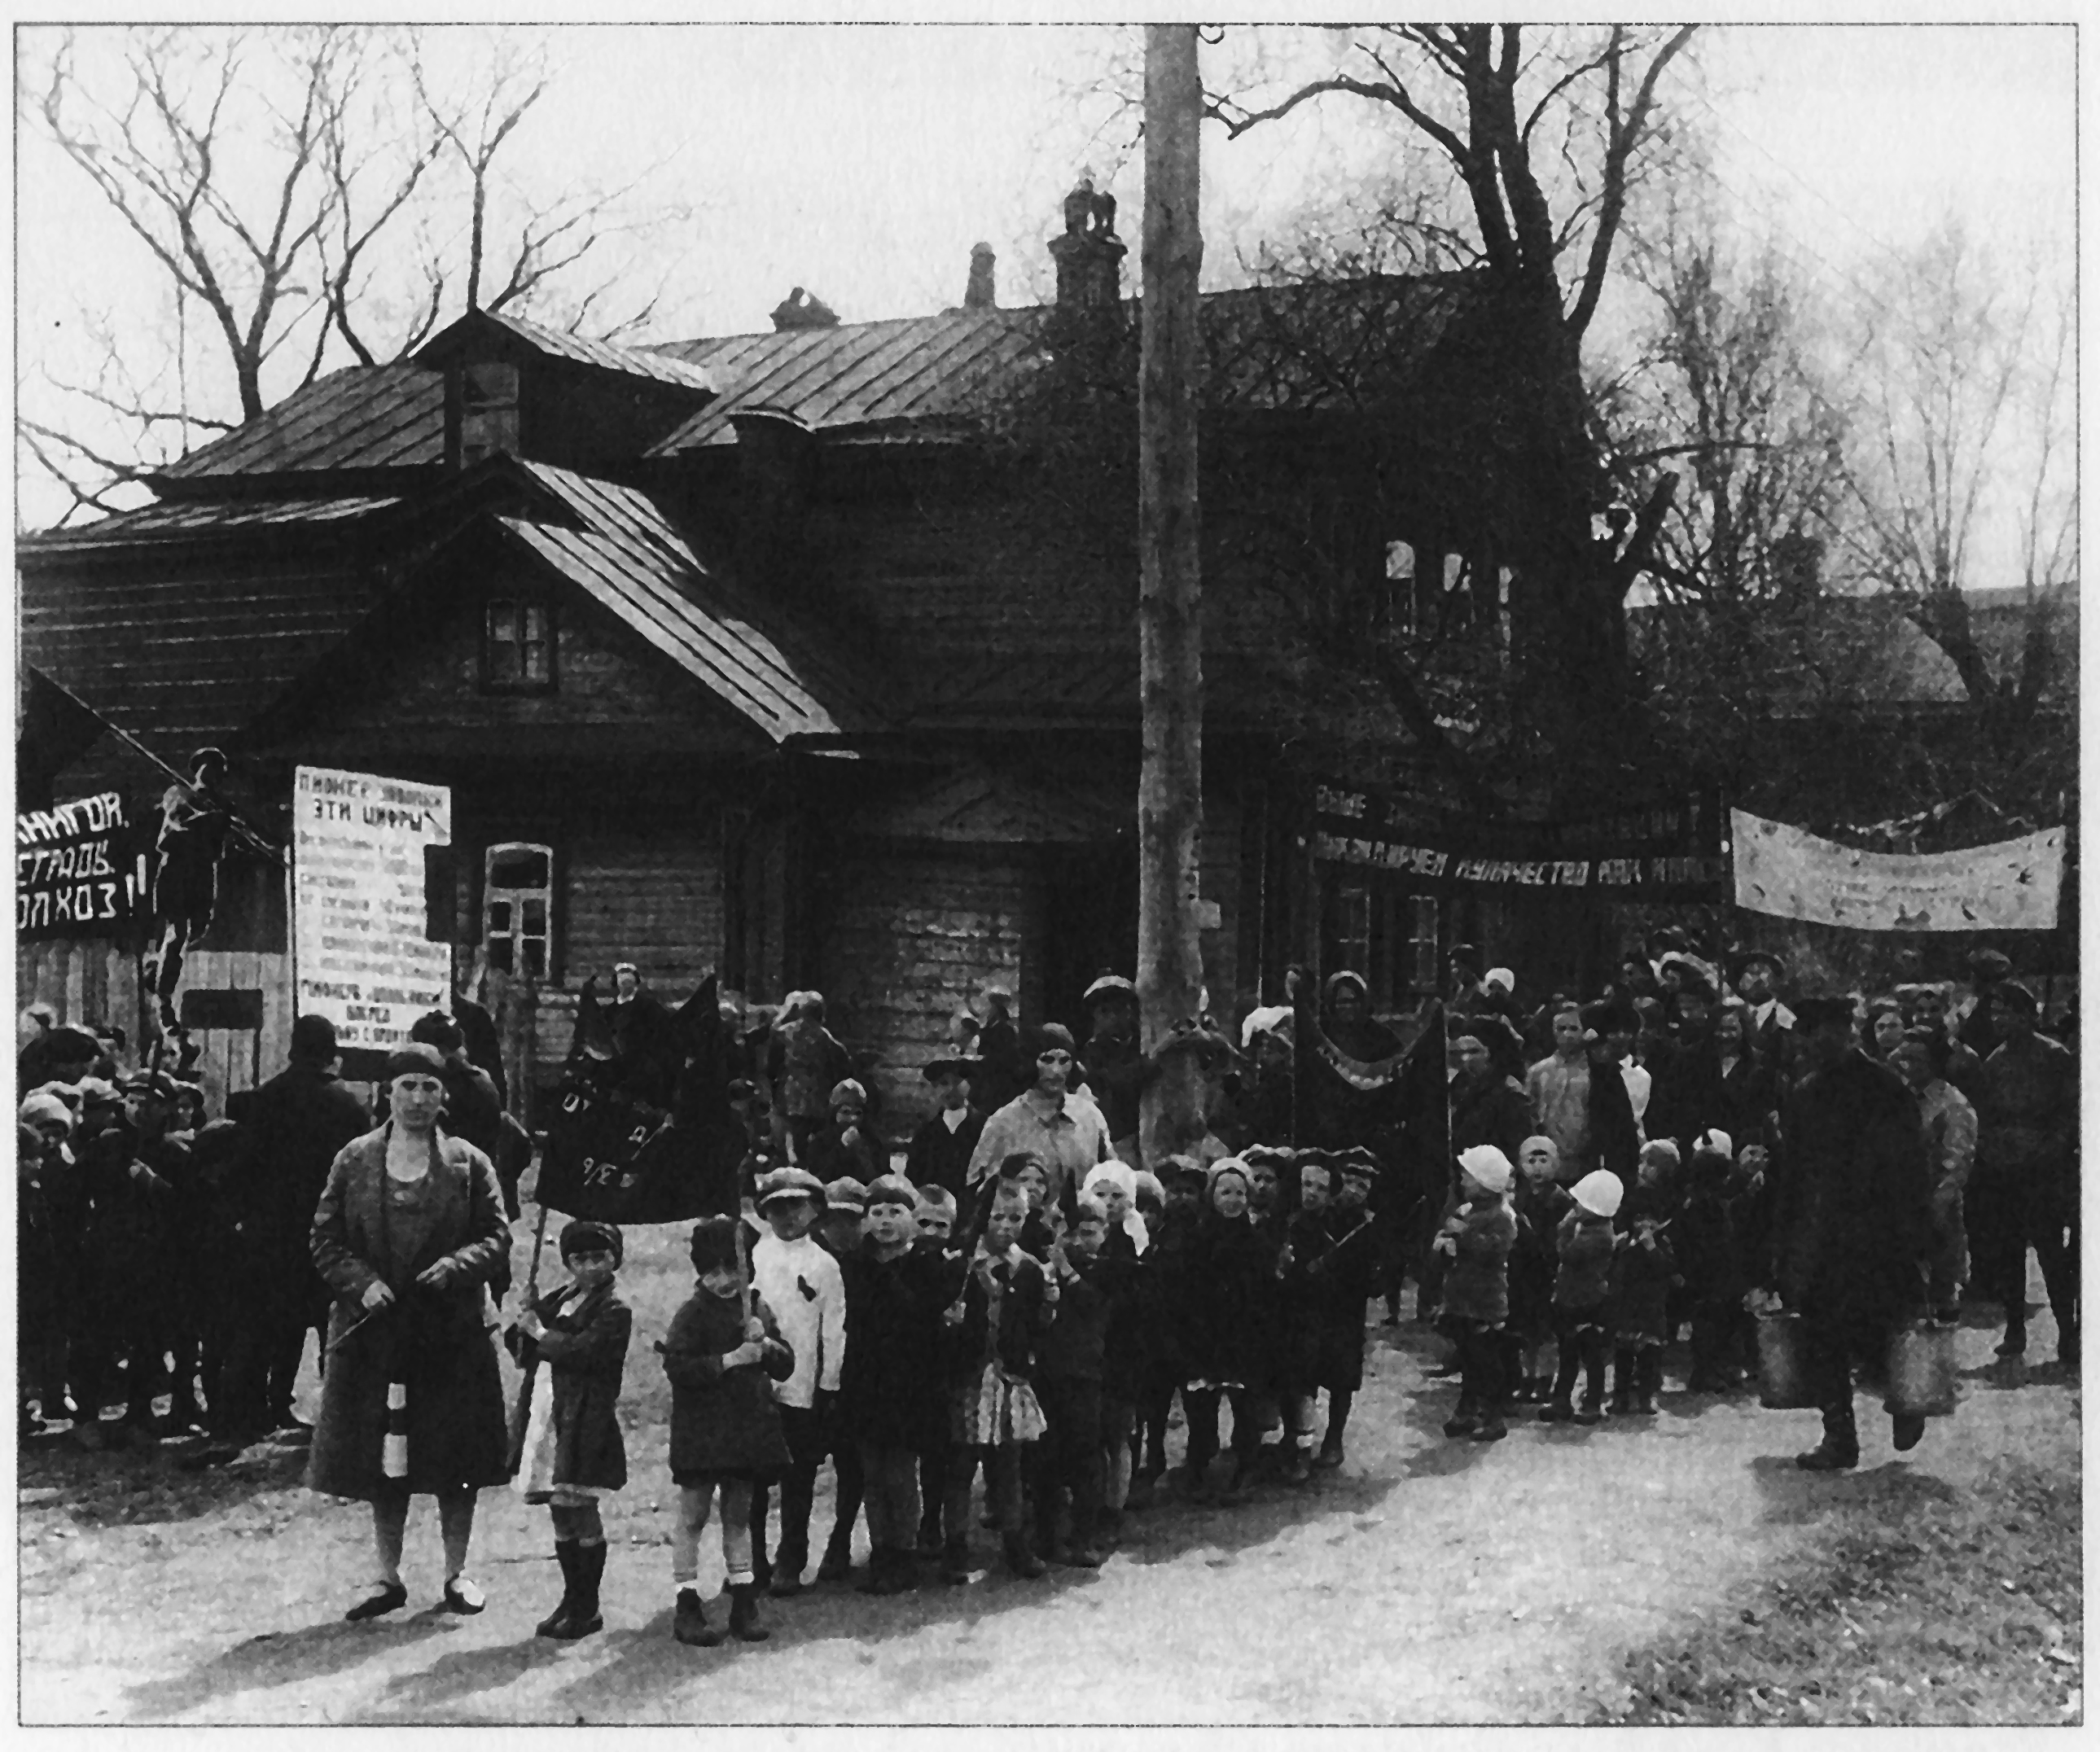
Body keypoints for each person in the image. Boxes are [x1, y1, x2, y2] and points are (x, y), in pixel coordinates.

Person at [307, 1043, 512, 1619]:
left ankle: (457, 1572)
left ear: (444, 1096)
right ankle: (387, 1576)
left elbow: (496, 1237)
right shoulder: (354, 1159)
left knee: (457, 1458)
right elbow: (324, 1238)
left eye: (429, 1088)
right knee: (383, 1456)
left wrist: (456, 1267)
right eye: (407, 1088)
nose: (418, 1099)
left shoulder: (468, 1162)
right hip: (377, 1330)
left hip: (449, 1331)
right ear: (387, 1094)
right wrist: (362, 1282)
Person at [1757, 996, 1934, 1471]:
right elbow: (1790, 1174)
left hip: (1879, 1233)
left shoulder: (1885, 1087)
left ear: (1848, 1031)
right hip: (1823, 1237)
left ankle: (1906, 1401)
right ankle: (1839, 1436)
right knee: (1823, 1335)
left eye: (1828, 1030)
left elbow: (1912, 1166)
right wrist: (1783, 1241)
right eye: (1810, 1032)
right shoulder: (1806, 1093)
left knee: (1887, 1326)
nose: (1818, 1041)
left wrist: (1916, 1235)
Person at [230, 1014, 370, 1437]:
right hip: (328, 1234)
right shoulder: (347, 1106)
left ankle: (252, 1412)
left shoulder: (266, 1098)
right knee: (335, 1326)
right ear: (332, 1054)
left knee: (267, 1327)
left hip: (271, 1232)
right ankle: (339, 1418)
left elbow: (245, 1166)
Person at [660, 1215, 796, 1647]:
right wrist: (730, 1360)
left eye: (731, 1270)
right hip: (702, 1433)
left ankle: (743, 1601)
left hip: (747, 1430)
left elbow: (784, 1363)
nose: (723, 1281)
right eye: (712, 1272)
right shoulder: (692, 1314)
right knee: (694, 1515)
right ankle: (687, 1602)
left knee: (738, 1516)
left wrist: (767, 1345)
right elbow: (679, 1368)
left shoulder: (756, 1307)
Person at [836, 1174, 967, 1594]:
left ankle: (906, 1552)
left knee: (900, 1474)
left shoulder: (928, 1266)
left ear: (912, 1218)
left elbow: (926, 1322)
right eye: (877, 1212)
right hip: (866, 1383)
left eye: (896, 1211)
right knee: (872, 1474)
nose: (885, 1220)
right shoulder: (854, 1267)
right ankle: (882, 1552)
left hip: (911, 1386)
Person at [511, 1220, 632, 1640]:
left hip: (584, 1417)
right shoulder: (560, 1299)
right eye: (579, 1259)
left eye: (600, 1257)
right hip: (548, 1412)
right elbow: (521, 1348)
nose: (590, 1267)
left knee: (581, 1505)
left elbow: (585, 1352)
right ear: (567, 1263)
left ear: (615, 1258)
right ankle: (570, 1597)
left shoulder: (614, 1308)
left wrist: (541, 1331)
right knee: (559, 1507)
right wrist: (524, 1317)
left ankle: (588, 1605)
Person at [939, 1176, 1056, 1582]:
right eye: (998, 1217)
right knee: (959, 1468)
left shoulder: (1029, 1270)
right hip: (968, 1379)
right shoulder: (960, 1266)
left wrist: (1044, 1312)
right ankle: (954, 1546)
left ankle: (1015, 1542)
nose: (1006, 1227)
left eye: (1016, 1218)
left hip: (1008, 1377)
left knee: (1008, 1466)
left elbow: (1034, 1329)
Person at [747, 1167, 847, 1597]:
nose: (787, 1216)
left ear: (815, 1210)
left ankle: (792, 1556)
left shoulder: (824, 1264)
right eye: (776, 1208)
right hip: (755, 1384)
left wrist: (829, 1384)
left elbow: (833, 1329)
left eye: (796, 1206)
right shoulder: (754, 1255)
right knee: (752, 1478)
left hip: (803, 1385)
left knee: (798, 1476)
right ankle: (750, 1560)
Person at [1973, 980, 2078, 1364]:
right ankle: (2015, 1327)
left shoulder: (2055, 1056)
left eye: (2009, 1012)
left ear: (2028, 1014)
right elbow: (1984, 1117)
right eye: (1995, 1012)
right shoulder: (1994, 1062)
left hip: (2044, 1170)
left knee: (2051, 1253)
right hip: (2005, 1171)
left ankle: (2068, 1331)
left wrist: (2045, 1150)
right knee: (2008, 1252)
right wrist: (1996, 1152)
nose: (2001, 1020)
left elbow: (2069, 1114)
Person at [1178, 1159, 1282, 1499]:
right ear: (1213, 1196)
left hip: (1243, 1337)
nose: (1233, 1199)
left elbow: (1265, 1294)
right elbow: (1188, 1290)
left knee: (1245, 1408)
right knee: (1201, 1410)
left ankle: (1245, 1467)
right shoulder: (1195, 1240)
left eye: (1240, 1192)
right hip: (1204, 1333)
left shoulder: (1257, 1244)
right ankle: (1197, 1466)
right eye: (1225, 1192)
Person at [1032, 1194, 1119, 1565]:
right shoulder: (1041, 1267)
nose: (1076, 1240)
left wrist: (1067, 1271)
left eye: (1087, 1231)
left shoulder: (1108, 1268)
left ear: (1104, 1232)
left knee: (1086, 1458)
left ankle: (1083, 1536)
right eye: (1066, 1232)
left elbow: (1096, 1306)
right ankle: (1046, 1538)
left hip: (1085, 1376)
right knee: (1045, 1461)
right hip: (1047, 1375)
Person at [966, 1024, 1111, 1211]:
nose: (1056, 1071)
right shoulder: (1003, 1123)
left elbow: (1113, 1175)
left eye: (1064, 1060)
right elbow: (977, 1190)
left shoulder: (1090, 1117)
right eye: (1048, 1060)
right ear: (1031, 1062)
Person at [1432, 1145, 1519, 1441]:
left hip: (1484, 1301)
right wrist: (1443, 1243)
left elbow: (1494, 1249)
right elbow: (1447, 1234)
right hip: (1461, 1297)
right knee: (1469, 1359)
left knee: (1486, 1361)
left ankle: (1493, 1415)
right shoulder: (1466, 1210)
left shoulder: (1502, 1217)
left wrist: (1463, 1235)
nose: (1463, 1183)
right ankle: (1466, 1409)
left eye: (1468, 1177)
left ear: (1485, 1182)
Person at [1890, 1030, 1975, 1325]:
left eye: (1916, 1060)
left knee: (1941, 1287)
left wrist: (1936, 1208)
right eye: (1903, 1059)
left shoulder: (1951, 1104)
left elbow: (1957, 1164)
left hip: (1936, 1206)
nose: (1907, 1066)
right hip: (1900, 1204)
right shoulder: (1899, 1097)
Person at [1538, 1170, 1620, 1425]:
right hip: (1570, 1299)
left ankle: (1591, 1403)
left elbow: (1568, 1253)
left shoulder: (1598, 1236)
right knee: (1568, 1353)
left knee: (1591, 1354)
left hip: (1587, 1302)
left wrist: (1565, 1228)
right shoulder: (1588, 1228)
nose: (1575, 1207)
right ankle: (1561, 1399)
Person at [1610, 1142, 1681, 1417]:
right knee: (1624, 1348)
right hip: (1629, 1296)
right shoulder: (1627, 1240)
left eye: (1651, 1164)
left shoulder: (1662, 1242)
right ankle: (1621, 1395)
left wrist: (1652, 1246)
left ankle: (1646, 1395)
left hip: (1651, 1299)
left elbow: (1667, 1267)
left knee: (1650, 1350)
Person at [1677, 1135, 1750, 1392]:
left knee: (1717, 1323)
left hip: (1710, 1274)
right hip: (1710, 1274)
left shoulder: (1696, 1200)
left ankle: (1717, 1369)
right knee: (1710, 1325)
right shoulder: (1705, 1204)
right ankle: (1706, 1372)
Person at [1507, 1137, 1572, 1404]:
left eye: (1544, 1160)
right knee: (1526, 1331)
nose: (1537, 1167)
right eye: (1530, 1161)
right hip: (1524, 1273)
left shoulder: (1561, 1200)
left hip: (1548, 1272)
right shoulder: (1519, 1199)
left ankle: (1546, 1381)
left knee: (1547, 1332)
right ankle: (1527, 1379)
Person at [1078, 973, 1155, 1165]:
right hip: (1116, 1142)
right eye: (1105, 1011)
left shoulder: (1143, 1042)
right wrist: (1159, 1057)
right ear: (1095, 1016)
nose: (1114, 1017)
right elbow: (1120, 1080)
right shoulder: (1092, 1053)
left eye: (1120, 1009)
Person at [769, 992, 855, 1159]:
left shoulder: (783, 1033)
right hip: (818, 1093)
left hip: (791, 1093)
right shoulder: (824, 1037)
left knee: (795, 1133)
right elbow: (844, 1064)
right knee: (816, 1133)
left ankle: (797, 1163)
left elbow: (773, 1065)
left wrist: (775, 1085)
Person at [905, 1053, 986, 1207]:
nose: (950, 1089)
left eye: (957, 1081)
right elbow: (914, 1178)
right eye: (943, 1083)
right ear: (934, 1089)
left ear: (968, 1084)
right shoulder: (926, 1134)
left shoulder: (984, 1128)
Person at [972, 984, 1028, 1115]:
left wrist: (986, 1060)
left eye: (990, 1005)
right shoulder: (989, 1027)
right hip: (987, 1080)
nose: (987, 1008)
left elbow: (1008, 1058)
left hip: (999, 1083)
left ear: (996, 1007)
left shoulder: (1006, 1029)